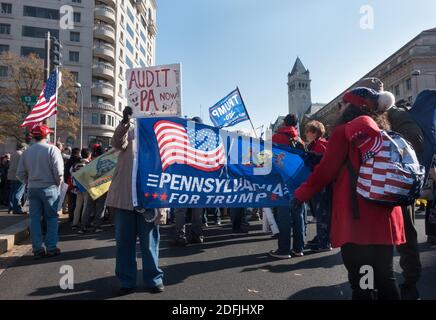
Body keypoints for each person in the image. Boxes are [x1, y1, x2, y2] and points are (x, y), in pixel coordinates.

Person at [293, 87, 405, 300]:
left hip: (359, 219)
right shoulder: (384, 131)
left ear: (350, 106)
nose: (339, 108)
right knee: (385, 277)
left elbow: (326, 171)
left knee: (363, 281)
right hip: (386, 214)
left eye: (342, 104)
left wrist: (300, 195)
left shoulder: (344, 132)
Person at [357, 77, 423, 300]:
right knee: (374, 241)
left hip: (397, 186)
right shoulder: (367, 118)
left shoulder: (397, 114)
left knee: (406, 237)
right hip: (374, 187)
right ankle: (373, 284)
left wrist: (386, 143)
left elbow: (415, 140)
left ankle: (410, 283)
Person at [106, 106, 164, 296]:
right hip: (125, 199)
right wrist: (124, 122)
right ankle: (126, 279)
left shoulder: (159, 138)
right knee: (124, 242)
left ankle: (154, 279)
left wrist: (164, 205)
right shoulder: (129, 133)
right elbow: (116, 143)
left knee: (149, 244)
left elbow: (167, 171)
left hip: (149, 200)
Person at [16, 125, 64, 259]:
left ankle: (37, 248)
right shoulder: (52, 149)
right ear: (46, 136)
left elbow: (19, 173)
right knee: (52, 218)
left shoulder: (26, 152)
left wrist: (29, 182)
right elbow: (59, 172)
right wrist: (57, 183)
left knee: (35, 219)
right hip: (50, 187)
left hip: (33, 188)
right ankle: (51, 247)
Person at [269, 114, 306, 259]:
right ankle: (299, 248)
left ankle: (284, 249)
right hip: (298, 182)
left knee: (284, 215)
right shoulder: (300, 140)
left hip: (281, 181)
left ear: (284, 123)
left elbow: (265, 157)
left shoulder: (277, 137)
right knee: (299, 215)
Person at [304, 120, 331, 252]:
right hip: (321, 183)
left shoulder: (320, 145)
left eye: (308, 131)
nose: (306, 134)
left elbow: (321, 166)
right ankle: (322, 238)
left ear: (314, 132)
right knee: (321, 213)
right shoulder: (318, 144)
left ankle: (324, 242)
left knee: (323, 213)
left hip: (322, 184)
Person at [78, 146, 106, 234]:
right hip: (102, 188)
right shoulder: (105, 162)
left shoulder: (91, 162)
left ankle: (82, 227)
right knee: (100, 208)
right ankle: (97, 226)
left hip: (91, 187)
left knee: (88, 207)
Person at [71, 148, 92, 230]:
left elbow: (72, 173)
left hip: (77, 187)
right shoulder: (88, 164)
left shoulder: (76, 164)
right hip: (86, 187)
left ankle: (74, 223)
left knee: (78, 206)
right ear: (88, 155)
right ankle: (84, 223)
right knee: (85, 206)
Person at [7, 143, 28, 214]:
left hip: (11, 175)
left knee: (12, 192)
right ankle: (17, 209)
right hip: (19, 176)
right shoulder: (22, 155)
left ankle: (10, 208)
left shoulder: (13, 154)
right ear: (23, 147)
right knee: (18, 192)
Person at [64, 147, 81, 221]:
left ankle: (71, 217)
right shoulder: (79, 161)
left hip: (69, 183)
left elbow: (65, 173)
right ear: (78, 153)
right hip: (78, 184)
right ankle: (77, 217)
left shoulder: (68, 161)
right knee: (78, 202)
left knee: (70, 201)